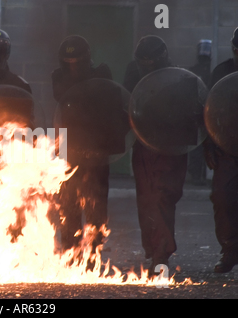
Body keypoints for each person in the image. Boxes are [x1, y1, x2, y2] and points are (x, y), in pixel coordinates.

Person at [123, 35, 187, 274]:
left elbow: (192, 112)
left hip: (170, 147)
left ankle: (161, 255)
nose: (146, 67)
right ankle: (153, 249)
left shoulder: (177, 76)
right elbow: (126, 101)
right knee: (146, 198)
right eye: (143, 63)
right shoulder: (133, 71)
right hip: (144, 143)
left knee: (162, 195)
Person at [51, 35, 113, 270]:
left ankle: (93, 258)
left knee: (96, 209)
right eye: (69, 62)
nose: (73, 66)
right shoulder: (59, 76)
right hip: (69, 150)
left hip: (97, 150)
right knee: (69, 207)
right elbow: (63, 94)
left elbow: (105, 96)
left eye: (78, 62)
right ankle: (71, 257)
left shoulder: (103, 73)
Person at [204, 28, 238, 273]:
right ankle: (229, 250)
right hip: (227, 146)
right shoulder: (222, 72)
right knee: (222, 197)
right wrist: (209, 143)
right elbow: (209, 110)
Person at [187, 39, 211, 186]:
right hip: (199, 114)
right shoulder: (199, 71)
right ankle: (198, 174)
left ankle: (199, 174)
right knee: (198, 146)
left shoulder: (209, 71)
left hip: (204, 114)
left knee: (200, 146)